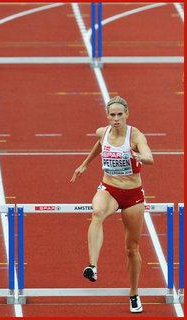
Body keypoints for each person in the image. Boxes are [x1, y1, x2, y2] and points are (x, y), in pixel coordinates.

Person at [70, 96, 153, 313]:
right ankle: (93, 266)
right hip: (109, 189)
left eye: (120, 114)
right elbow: (99, 146)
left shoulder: (135, 135)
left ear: (127, 115)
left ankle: (134, 294)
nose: (116, 119)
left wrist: (140, 156)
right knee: (97, 212)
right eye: (112, 115)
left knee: (131, 249)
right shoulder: (102, 132)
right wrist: (84, 165)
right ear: (107, 116)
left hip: (133, 195)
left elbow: (150, 156)